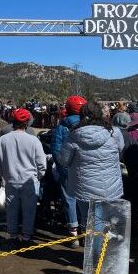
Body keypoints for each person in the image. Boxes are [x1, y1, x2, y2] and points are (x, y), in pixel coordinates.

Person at [56, 102, 124, 236]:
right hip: (110, 187)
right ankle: (107, 254)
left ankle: (92, 254)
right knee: (108, 222)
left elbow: (63, 160)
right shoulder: (114, 132)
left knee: (89, 222)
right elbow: (120, 150)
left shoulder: (74, 135)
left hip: (85, 189)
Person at [0, 108, 47, 244]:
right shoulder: (33, 140)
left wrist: (5, 175)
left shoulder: (3, 140)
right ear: (26, 123)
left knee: (11, 209)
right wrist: (38, 177)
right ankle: (26, 235)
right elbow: (42, 163)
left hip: (11, 180)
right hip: (29, 181)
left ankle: (12, 234)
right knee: (29, 210)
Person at [51, 95, 86, 246]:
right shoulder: (88, 125)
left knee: (69, 200)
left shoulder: (61, 127)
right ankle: (85, 232)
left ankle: (73, 235)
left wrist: (62, 170)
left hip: (67, 170)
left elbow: (56, 151)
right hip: (86, 170)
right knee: (85, 200)